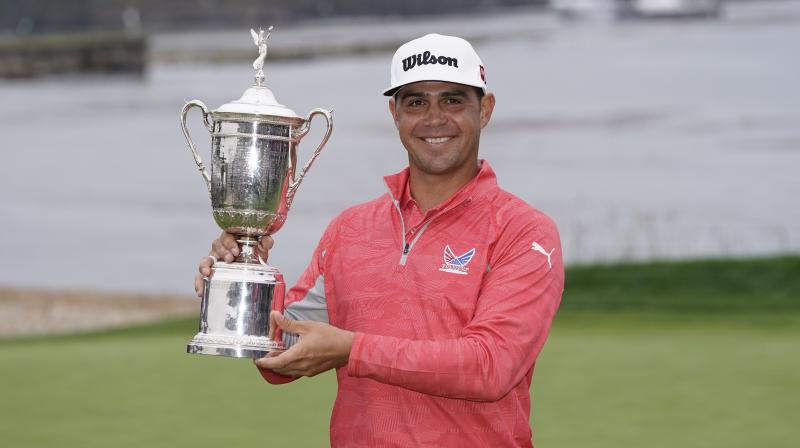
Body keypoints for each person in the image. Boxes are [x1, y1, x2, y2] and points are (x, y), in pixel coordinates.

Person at [195, 33, 564, 447]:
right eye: (416, 102)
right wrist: (240, 284)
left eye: (453, 100)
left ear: (485, 109)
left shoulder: (523, 231)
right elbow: (282, 354)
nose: (434, 118)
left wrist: (353, 350)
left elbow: (491, 366)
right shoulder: (350, 229)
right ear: (395, 113)